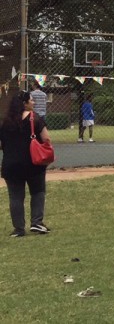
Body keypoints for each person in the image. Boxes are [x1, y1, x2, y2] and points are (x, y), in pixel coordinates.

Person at [0, 90, 52, 236]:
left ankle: (18, 229)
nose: (33, 103)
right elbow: (46, 139)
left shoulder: (6, 122)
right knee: (37, 192)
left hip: (11, 164)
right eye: (31, 100)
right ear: (25, 103)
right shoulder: (35, 119)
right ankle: (36, 222)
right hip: (33, 163)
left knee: (15, 197)